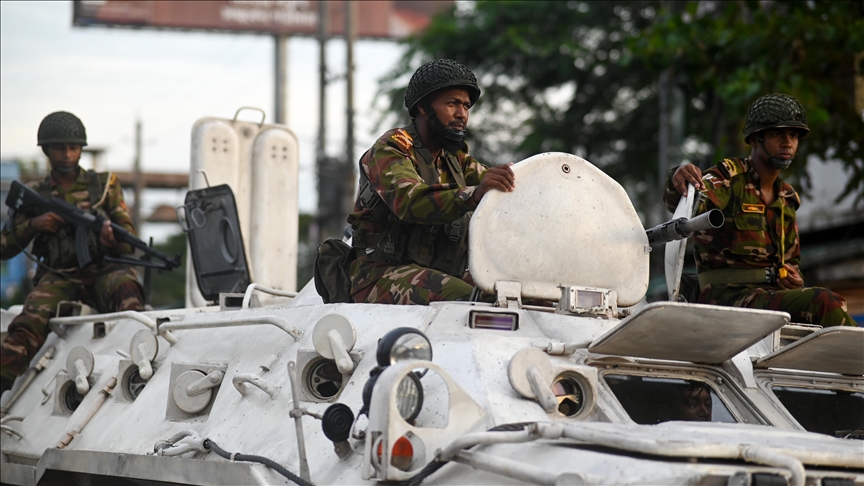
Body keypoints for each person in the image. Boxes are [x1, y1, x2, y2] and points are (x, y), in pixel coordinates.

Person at [664, 94, 854, 327]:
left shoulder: (786, 197)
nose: (787, 143)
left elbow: (791, 263)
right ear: (755, 139)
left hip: (768, 298)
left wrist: (793, 280)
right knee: (824, 302)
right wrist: (678, 177)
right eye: (777, 134)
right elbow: (686, 203)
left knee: (829, 308)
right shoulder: (729, 179)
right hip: (726, 297)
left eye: (794, 135)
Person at [347, 59, 515, 304]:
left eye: (466, 106)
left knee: (513, 296)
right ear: (423, 107)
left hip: (435, 273)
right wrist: (473, 195)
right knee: (464, 297)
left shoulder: (454, 159)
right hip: (378, 274)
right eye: (452, 104)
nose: (461, 114)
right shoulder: (392, 149)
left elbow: (496, 189)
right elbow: (409, 201)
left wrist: (519, 186)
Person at [0, 111, 145, 395]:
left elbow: (129, 242)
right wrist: (34, 224)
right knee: (29, 322)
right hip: (59, 276)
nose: (67, 154)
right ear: (46, 150)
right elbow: (5, 247)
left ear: (81, 149)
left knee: (129, 297)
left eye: (73, 147)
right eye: (59, 148)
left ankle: (139, 370)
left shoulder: (103, 186)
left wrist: (111, 237)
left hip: (103, 270)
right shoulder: (35, 194)